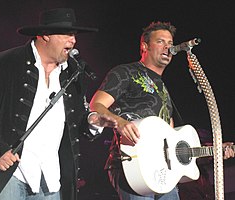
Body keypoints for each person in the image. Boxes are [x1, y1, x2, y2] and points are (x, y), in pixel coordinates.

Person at [0, 8, 117, 200]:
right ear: (45, 35)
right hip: (11, 175)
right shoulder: (7, 62)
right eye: (67, 34)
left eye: (74, 35)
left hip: (50, 178)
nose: (73, 40)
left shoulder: (73, 71)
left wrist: (94, 120)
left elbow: (79, 121)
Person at [89, 21, 234, 200]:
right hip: (133, 164)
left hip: (164, 172)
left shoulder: (164, 89)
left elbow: (172, 140)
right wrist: (120, 122)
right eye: (161, 41)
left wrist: (214, 150)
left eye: (170, 43)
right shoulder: (125, 72)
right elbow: (96, 105)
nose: (168, 47)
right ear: (144, 46)